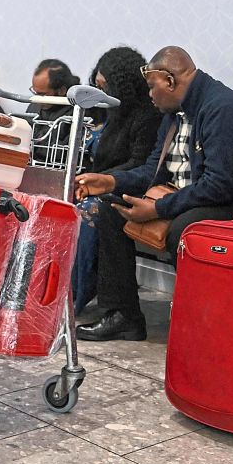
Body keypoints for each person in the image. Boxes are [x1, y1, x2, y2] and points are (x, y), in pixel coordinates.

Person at [74, 46, 233, 341]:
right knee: (110, 210)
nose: (149, 95)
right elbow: (151, 172)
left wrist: (157, 209)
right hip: (183, 197)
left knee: (184, 230)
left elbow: (221, 185)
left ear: (170, 80)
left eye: (152, 87)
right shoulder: (174, 113)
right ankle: (123, 315)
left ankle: (197, 324)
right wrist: (110, 182)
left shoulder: (224, 109)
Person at [72, 47, 163, 314]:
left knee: (88, 211)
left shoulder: (148, 115)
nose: (101, 94)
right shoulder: (109, 113)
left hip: (130, 187)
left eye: (106, 87)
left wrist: (104, 179)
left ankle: (75, 296)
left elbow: (141, 165)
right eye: (97, 86)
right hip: (103, 183)